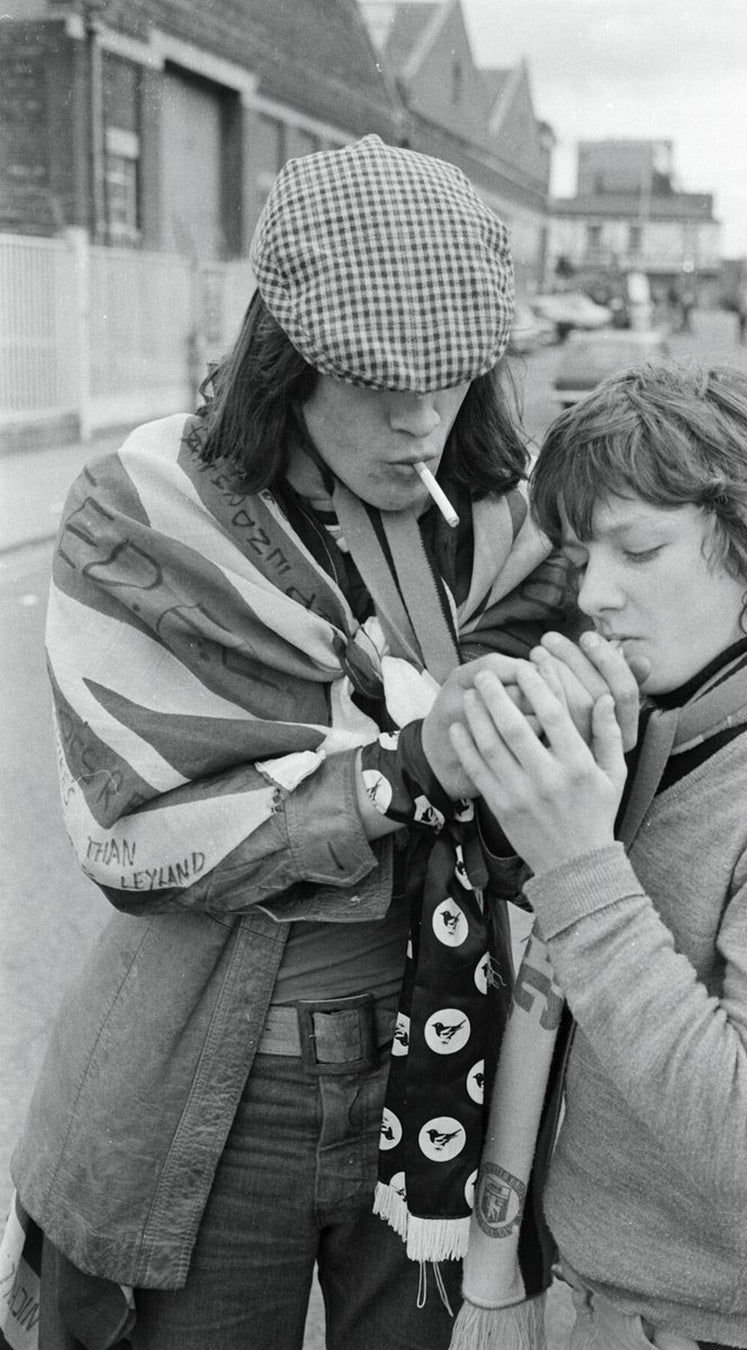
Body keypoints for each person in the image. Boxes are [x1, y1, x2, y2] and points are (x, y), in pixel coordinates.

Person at [6, 135, 569, 1349]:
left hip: (439, 1076)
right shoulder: (145, 513)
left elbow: (566, 826)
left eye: (453, 377)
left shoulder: (502, 528)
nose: (421, 420)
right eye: (377, 381)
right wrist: (400, 772)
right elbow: (135, 832)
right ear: (288, 357)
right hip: (228, 1090)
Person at [446, 363, 747, 1350]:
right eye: (579, 555)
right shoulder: (664, 732)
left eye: (639, 548)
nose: (593, 595)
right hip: (596, 1293)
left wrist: (579, 865)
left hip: (723, 1327)